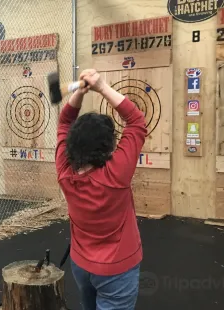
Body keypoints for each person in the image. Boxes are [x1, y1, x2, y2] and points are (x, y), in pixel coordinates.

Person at [55, 69, 147, 310]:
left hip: (81, 266)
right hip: (117, 271)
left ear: (72, 143)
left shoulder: (65, 171)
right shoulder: (115, 175)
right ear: (108, 147)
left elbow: (65, 122)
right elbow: (136, 121)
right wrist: (102, 87)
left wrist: (79, 93)